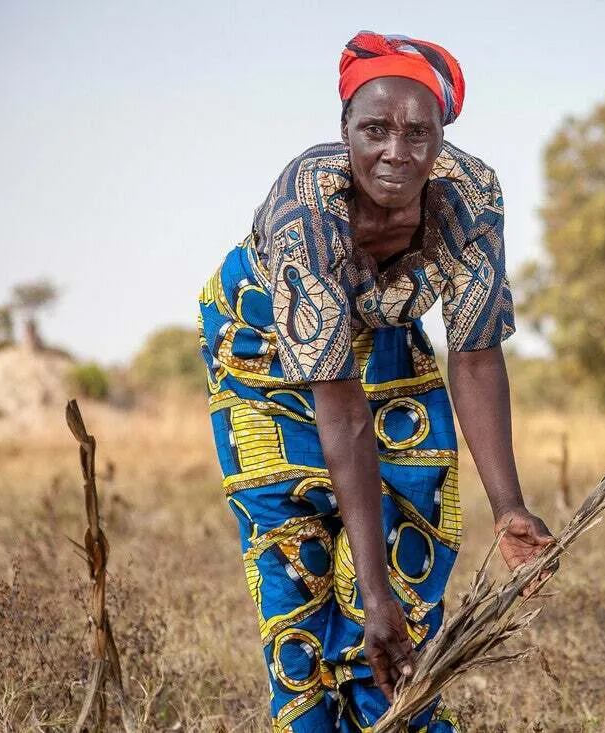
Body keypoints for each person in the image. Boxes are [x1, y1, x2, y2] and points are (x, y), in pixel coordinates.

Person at [198, 31, 554, 732]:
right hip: (264, 352)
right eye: (376, 129)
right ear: (344, 132)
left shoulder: (471, 200)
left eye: (419, 133)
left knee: (412, 511)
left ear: (442, 138)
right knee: (295, 549)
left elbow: (476, 355)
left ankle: (389, 712)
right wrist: (373, 591)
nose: (398, 150)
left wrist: (509, 506)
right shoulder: (308, 210)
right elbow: (344, 414)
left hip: (384, 334)